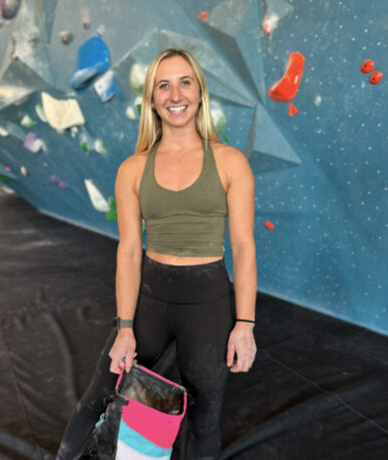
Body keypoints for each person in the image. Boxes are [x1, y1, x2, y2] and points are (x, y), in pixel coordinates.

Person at [56, 48, 257, 460]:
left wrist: (245, 324)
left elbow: (243, 247)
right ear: (151, 99)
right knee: (99, 395)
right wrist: (125, 327)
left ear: (200, 93)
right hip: (151, 298)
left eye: (185, 82)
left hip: (209, 302)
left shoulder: (230, 163)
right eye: (162, 85)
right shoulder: (132, 169)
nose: (174, 93)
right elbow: (129, 251)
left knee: (205, 416)